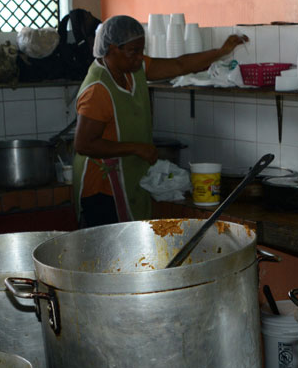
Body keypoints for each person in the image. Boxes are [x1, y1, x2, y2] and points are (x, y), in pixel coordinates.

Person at [72, 16, 247, 227]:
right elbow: (83, 144)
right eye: (133, 52)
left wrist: (220, 52)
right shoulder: (97, 89)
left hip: (128, 177)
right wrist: (136, 148)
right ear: (111, 49)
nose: (139, 58)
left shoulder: (133, 70)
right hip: (100, 189)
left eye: (141, 50)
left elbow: (179, 64)